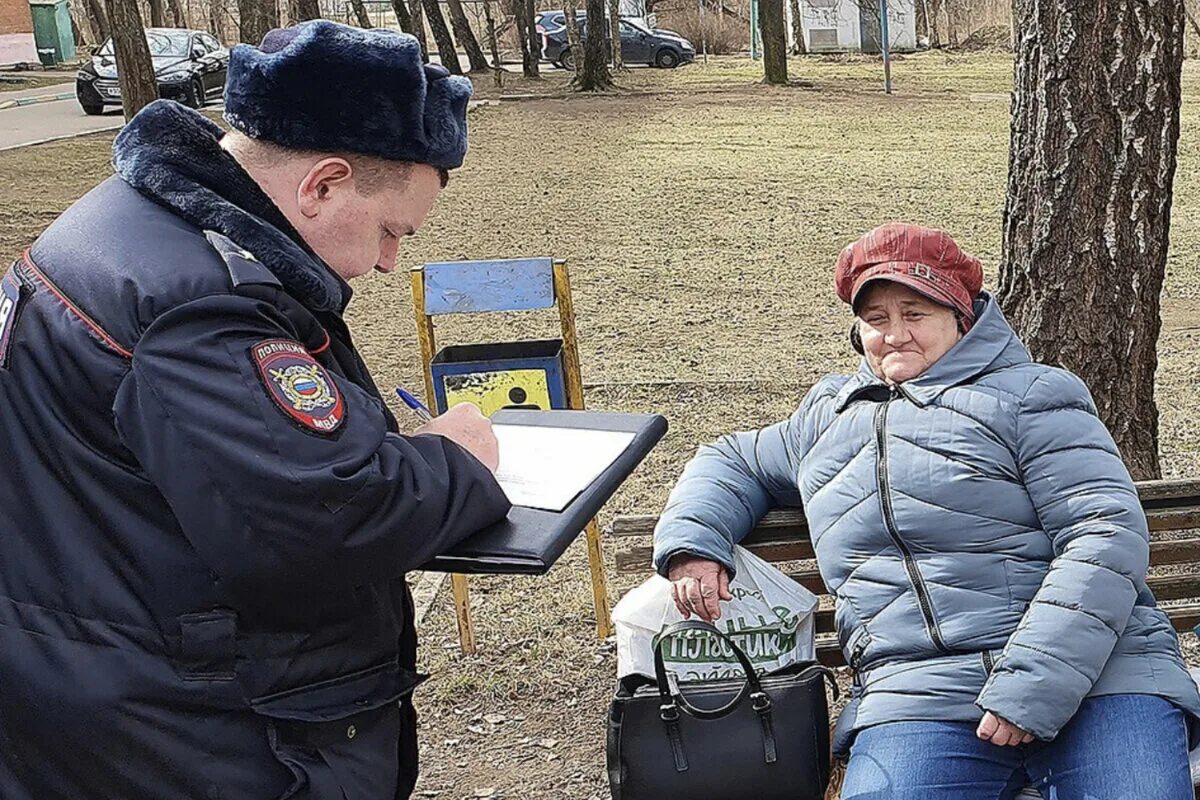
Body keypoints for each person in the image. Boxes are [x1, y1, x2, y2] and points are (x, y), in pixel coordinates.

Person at [0, 21, 512, 800]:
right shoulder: (200, 305)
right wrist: (458, 456)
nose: (385, 261)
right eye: (389, 230)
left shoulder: (121, 226)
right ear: (323, 184)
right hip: (189, 731)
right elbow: (320, 522)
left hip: (87, 678)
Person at [652, 222, 1200, 799]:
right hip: (917, 693)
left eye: (914, 314)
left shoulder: (1032, 396)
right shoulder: (828, 418)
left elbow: (1104, 535)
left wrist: (1030, 688)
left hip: (1100, 678)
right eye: (877, 319)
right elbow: (731, 460)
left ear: (962, 318)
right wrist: (694, 547)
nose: (894, 336)